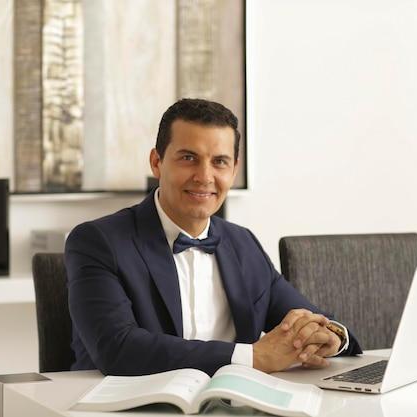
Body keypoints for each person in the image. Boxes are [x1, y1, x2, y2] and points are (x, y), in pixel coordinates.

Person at [65, 98, 362, 377]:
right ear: (157, 162)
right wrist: (253, 357)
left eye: (219, 162)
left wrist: (330, 337)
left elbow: (308, 318)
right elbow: (117, 348)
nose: (204, 176)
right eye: (188, 158)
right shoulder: (98, 241)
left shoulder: (244, 243)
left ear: (233, 170)